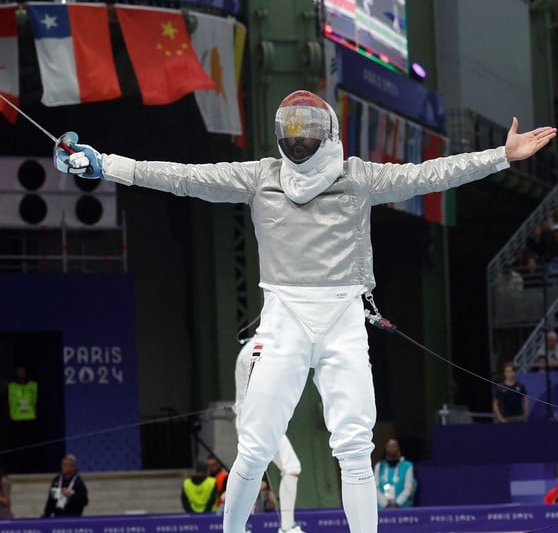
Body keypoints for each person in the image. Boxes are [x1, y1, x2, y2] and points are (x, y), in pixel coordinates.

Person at [52, 90, 557, 533]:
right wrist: (104, 164)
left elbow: (431, 174)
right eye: (292, 131)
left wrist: (501, 155)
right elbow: (182, 177)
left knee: (352, 449)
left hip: (339, 320)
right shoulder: (264, 177)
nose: (299, 140)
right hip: (288, 319)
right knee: (258, 447)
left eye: (307, 130)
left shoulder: (354, 177)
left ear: (327, 133)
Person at [235, 336, 305, 532]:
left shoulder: (254, 348)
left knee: (253, 471)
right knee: (284, 467)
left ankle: (241, 527)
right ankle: (286, 527)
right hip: (257, 420)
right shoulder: (258, 350)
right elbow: (258, 391)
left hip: (255, 419)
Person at [7, 364, 39, 472]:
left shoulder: (33, 385)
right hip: (16, 419)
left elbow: (36, 401)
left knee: (30, 446)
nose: (21, 374)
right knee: (17, 446)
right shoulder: (12, 386)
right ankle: (18, 468)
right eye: (19, 371)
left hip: (30, 418)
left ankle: (31, 467)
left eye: (23, 371)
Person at [374, 438, 416, 509]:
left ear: (399, 448)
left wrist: (397, 504)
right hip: (383, 509)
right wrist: (386, 505)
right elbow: (375, 488)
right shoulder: (379, 466)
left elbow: (408, 488)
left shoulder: (407, 466)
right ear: (385, 448)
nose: (392, 448)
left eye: (394, 446)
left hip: (402, 508)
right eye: (389, 446)